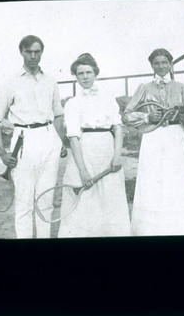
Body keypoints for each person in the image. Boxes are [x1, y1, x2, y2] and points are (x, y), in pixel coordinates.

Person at [0, 35, 67, 239]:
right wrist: (2, 153)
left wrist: (61, 141)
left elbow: (58, 114)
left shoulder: (50, 80)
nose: (33, 56)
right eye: (29, 51)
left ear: (42, 52)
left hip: (49, 139)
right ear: (21, 52)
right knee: (24, 203)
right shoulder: (9, 82)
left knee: (47, 200)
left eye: (37, 51)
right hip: (23, 140)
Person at [122, 48, 184, 236]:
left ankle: (179, 229)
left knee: (176, 181)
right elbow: (126, 115)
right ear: (152, 65)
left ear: (170, 64)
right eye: (156, 63)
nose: (161, 66)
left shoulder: (182, 87)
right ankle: (151, 230)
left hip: (175, 138)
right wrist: (147, 116)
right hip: (153, 137)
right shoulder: (144, 87)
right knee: (153, 181)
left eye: (164, 62)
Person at [58, 54, 131, 238]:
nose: (85, 76)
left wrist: (117, 156)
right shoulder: (72, 104)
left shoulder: (108, 98)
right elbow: (73, 137)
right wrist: (82, 170)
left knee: (110, 197)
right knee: (84, 200)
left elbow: (117, 127)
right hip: (84, 152)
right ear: (75, 76)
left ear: (95, 73)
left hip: (107, 149)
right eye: (80, 73)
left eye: (88, 72)